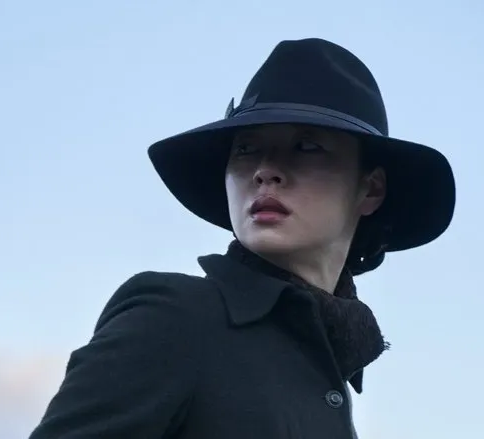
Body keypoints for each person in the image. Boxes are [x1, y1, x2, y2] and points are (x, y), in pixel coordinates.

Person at [28, 38, 455, 439]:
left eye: (307, 147)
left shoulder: (327, 366)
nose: (265, 171)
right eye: (246, 149)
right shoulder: (174, 317)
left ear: (371, 189)